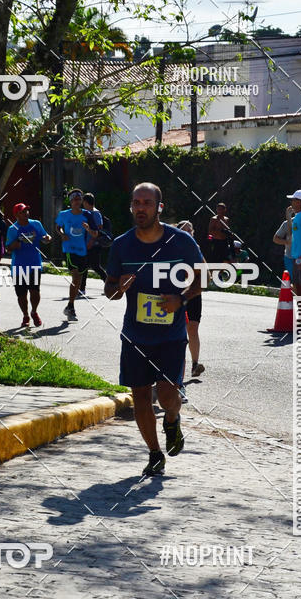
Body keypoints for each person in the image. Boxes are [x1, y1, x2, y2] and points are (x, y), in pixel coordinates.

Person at [104, 183, 202, 477]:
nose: (140, 208)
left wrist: (180, 299)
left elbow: (203, 277)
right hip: (135, 336)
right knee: (141, 397)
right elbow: (109, 290)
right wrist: (118, 289)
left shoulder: (181, 241)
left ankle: (172, 419)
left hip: (170, 336)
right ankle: (155, 453)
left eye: (147, 202)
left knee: (168, 395)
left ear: (159, 207)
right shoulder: (121, 245)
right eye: (136, 202)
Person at [5, 202, 51, 327]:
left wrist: (47, 238)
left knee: (35, 291)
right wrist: (15, 245)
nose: (26, 213)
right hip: (18, 266)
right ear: (16, 215)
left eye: (26, 211)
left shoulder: (36, 224)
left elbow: (45, 236)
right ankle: (25, 316)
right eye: (22, 212)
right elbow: (8, 248)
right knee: (21, 295)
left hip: (34, 264)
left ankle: (34, 312)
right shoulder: (12, 229)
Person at [56, 189, 98, 321]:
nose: (77, 201)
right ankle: (71, 308)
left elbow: (95, 233)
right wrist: (62, 234)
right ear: (70, 201)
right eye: (74, 199)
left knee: (78, 281)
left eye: (79, 199)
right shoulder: (63, 214)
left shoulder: (87, 214)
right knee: (75, 277)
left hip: (82, 250)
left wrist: (88, 229)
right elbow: (58, 226)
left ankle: (70, 305)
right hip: (69, 249)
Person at [176, 220, 205, 387]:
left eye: (190, 230)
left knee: (193, 328)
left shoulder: (196, 249)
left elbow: (204, 273)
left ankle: (195, 365)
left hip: (194, 293)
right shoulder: (172, 248)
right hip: (177, 294)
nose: (187, 233)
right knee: (180, 331)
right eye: (184, 230)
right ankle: (177, 372)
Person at [278, 189, 301, 296]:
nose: (291, 202)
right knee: (297, 286)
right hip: (296, 257)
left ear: (299, 202)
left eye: (293, 200)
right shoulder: (298, 215)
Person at [79, 193, 108, 296]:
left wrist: (91, 242)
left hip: (94, 245)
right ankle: (82, 289)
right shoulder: (87, 213)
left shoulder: (95, 213)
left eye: (83, 202)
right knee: (84, 266)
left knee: (96, 266)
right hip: (87, 244)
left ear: (86, 202)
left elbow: (99, 229)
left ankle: (109, 284)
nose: (82, 204)